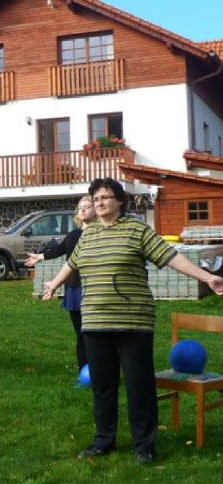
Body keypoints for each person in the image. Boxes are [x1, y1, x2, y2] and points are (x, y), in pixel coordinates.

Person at [42, 178, 223, 464]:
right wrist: (53, 283)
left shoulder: (137, 230)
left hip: (133, 322)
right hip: (95, 321)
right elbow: (71, 264)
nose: (99, 203)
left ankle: (144, 446)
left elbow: (171, 257)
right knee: (103, 386)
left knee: (139, 386)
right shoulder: (87, 235)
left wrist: (208, 277)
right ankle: (104, 440)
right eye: (95, 198)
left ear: (120, 201)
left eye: (105, 197)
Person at [24, 195, 95, 373]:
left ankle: (102, 370)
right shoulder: (72, 235)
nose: (83, 209)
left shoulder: (100, 234)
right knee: (81, 334)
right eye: (81, 207)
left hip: (94, 288)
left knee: (96, 335)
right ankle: (83, 371)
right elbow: (58, 250)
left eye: (88, 206)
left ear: (96, 211)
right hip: (74, 289)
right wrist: (39, 257)